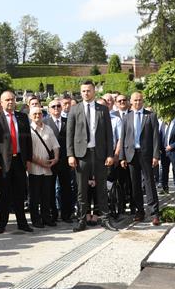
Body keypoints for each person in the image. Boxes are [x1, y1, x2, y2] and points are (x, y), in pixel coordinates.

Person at [66, 80, 114, 232]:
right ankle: (81, 220)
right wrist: (70, 154)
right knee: (82, 190)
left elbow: (109, 134)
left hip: (99, 154)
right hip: (81, 155)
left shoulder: (103, 109)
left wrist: (109, 154)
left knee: (101, 188)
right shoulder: (75, 109)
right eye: (83, 91)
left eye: (88, 90)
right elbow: (70, 134)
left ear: (94, 91)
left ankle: (105, 219)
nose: (86, 93)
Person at [0, 90, 33, 233]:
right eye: (7, 100)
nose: (10, 102)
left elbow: (27, 140)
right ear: (1, 102)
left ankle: (22, 222)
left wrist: (28, 159)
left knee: (20, 193)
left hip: (19, 160)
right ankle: (2, 223)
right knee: (4, 194)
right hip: (3, 163)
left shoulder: (22, 117)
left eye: (12, 99)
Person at [118, 92, 161, 225]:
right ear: (131, 101)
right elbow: (123, 137)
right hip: (131, 154)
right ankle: (139, 211)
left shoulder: (151, 116)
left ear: (143, 101)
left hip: (146, 154)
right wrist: (122, 157)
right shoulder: (127, 117)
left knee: (149, 183)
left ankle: (154, 213)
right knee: (135, 184)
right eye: (135, 100)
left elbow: (155, 137)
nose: (137, 102)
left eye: (140, 100)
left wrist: (155, 155)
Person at [28, 105, 59, 228]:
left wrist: (56, 158)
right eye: (35, 114)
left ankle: (46, 218)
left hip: (48, 169)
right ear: (30, 116)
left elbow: (55, 146)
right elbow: (28, 152)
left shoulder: (48, 129)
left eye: (39, 114)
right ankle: (36, 219)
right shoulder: (29, 130)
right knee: (35, 196)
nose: (37, 116)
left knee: (46, 195)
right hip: (35, 168)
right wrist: (40, 163)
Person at [45, 98, 73, 223]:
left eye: (58, 106)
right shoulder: (45, 122)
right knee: (50, 189)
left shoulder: (68, 121)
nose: (56, 108)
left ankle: (66, 214)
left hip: (66, 161)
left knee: (66, 188)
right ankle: (53, 214)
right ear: (49, 109)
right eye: (53, 106)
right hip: (50, 161)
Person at [160, 117, 175, 194]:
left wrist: (172, 146)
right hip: (164, 151)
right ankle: (165, 187)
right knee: (164, 170)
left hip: (174, 151)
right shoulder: (163, 124)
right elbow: (160, 136)